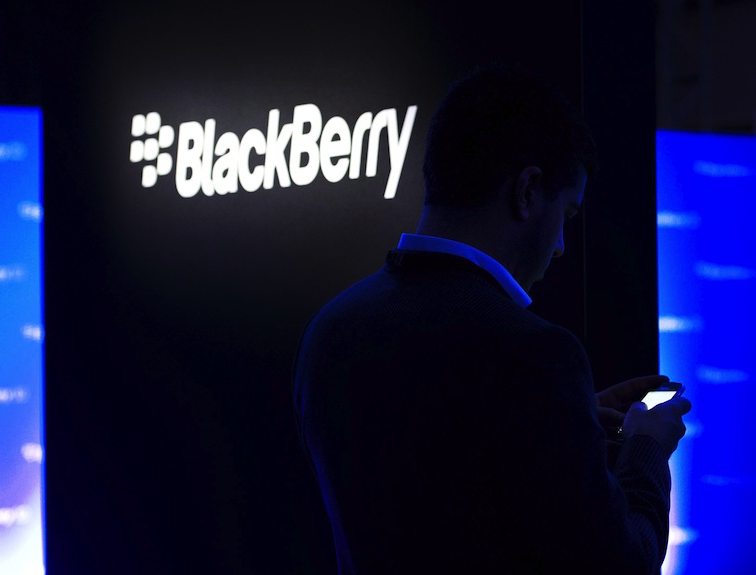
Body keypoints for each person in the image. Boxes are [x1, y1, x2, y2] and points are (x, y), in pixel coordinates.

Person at [292, 63, 691, 574]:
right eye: (566, 216)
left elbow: (435, 478)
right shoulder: (530, 353)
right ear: (527, 192)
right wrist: (645, 449)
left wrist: (567, 419)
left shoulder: (330, 329)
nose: (563, 246)